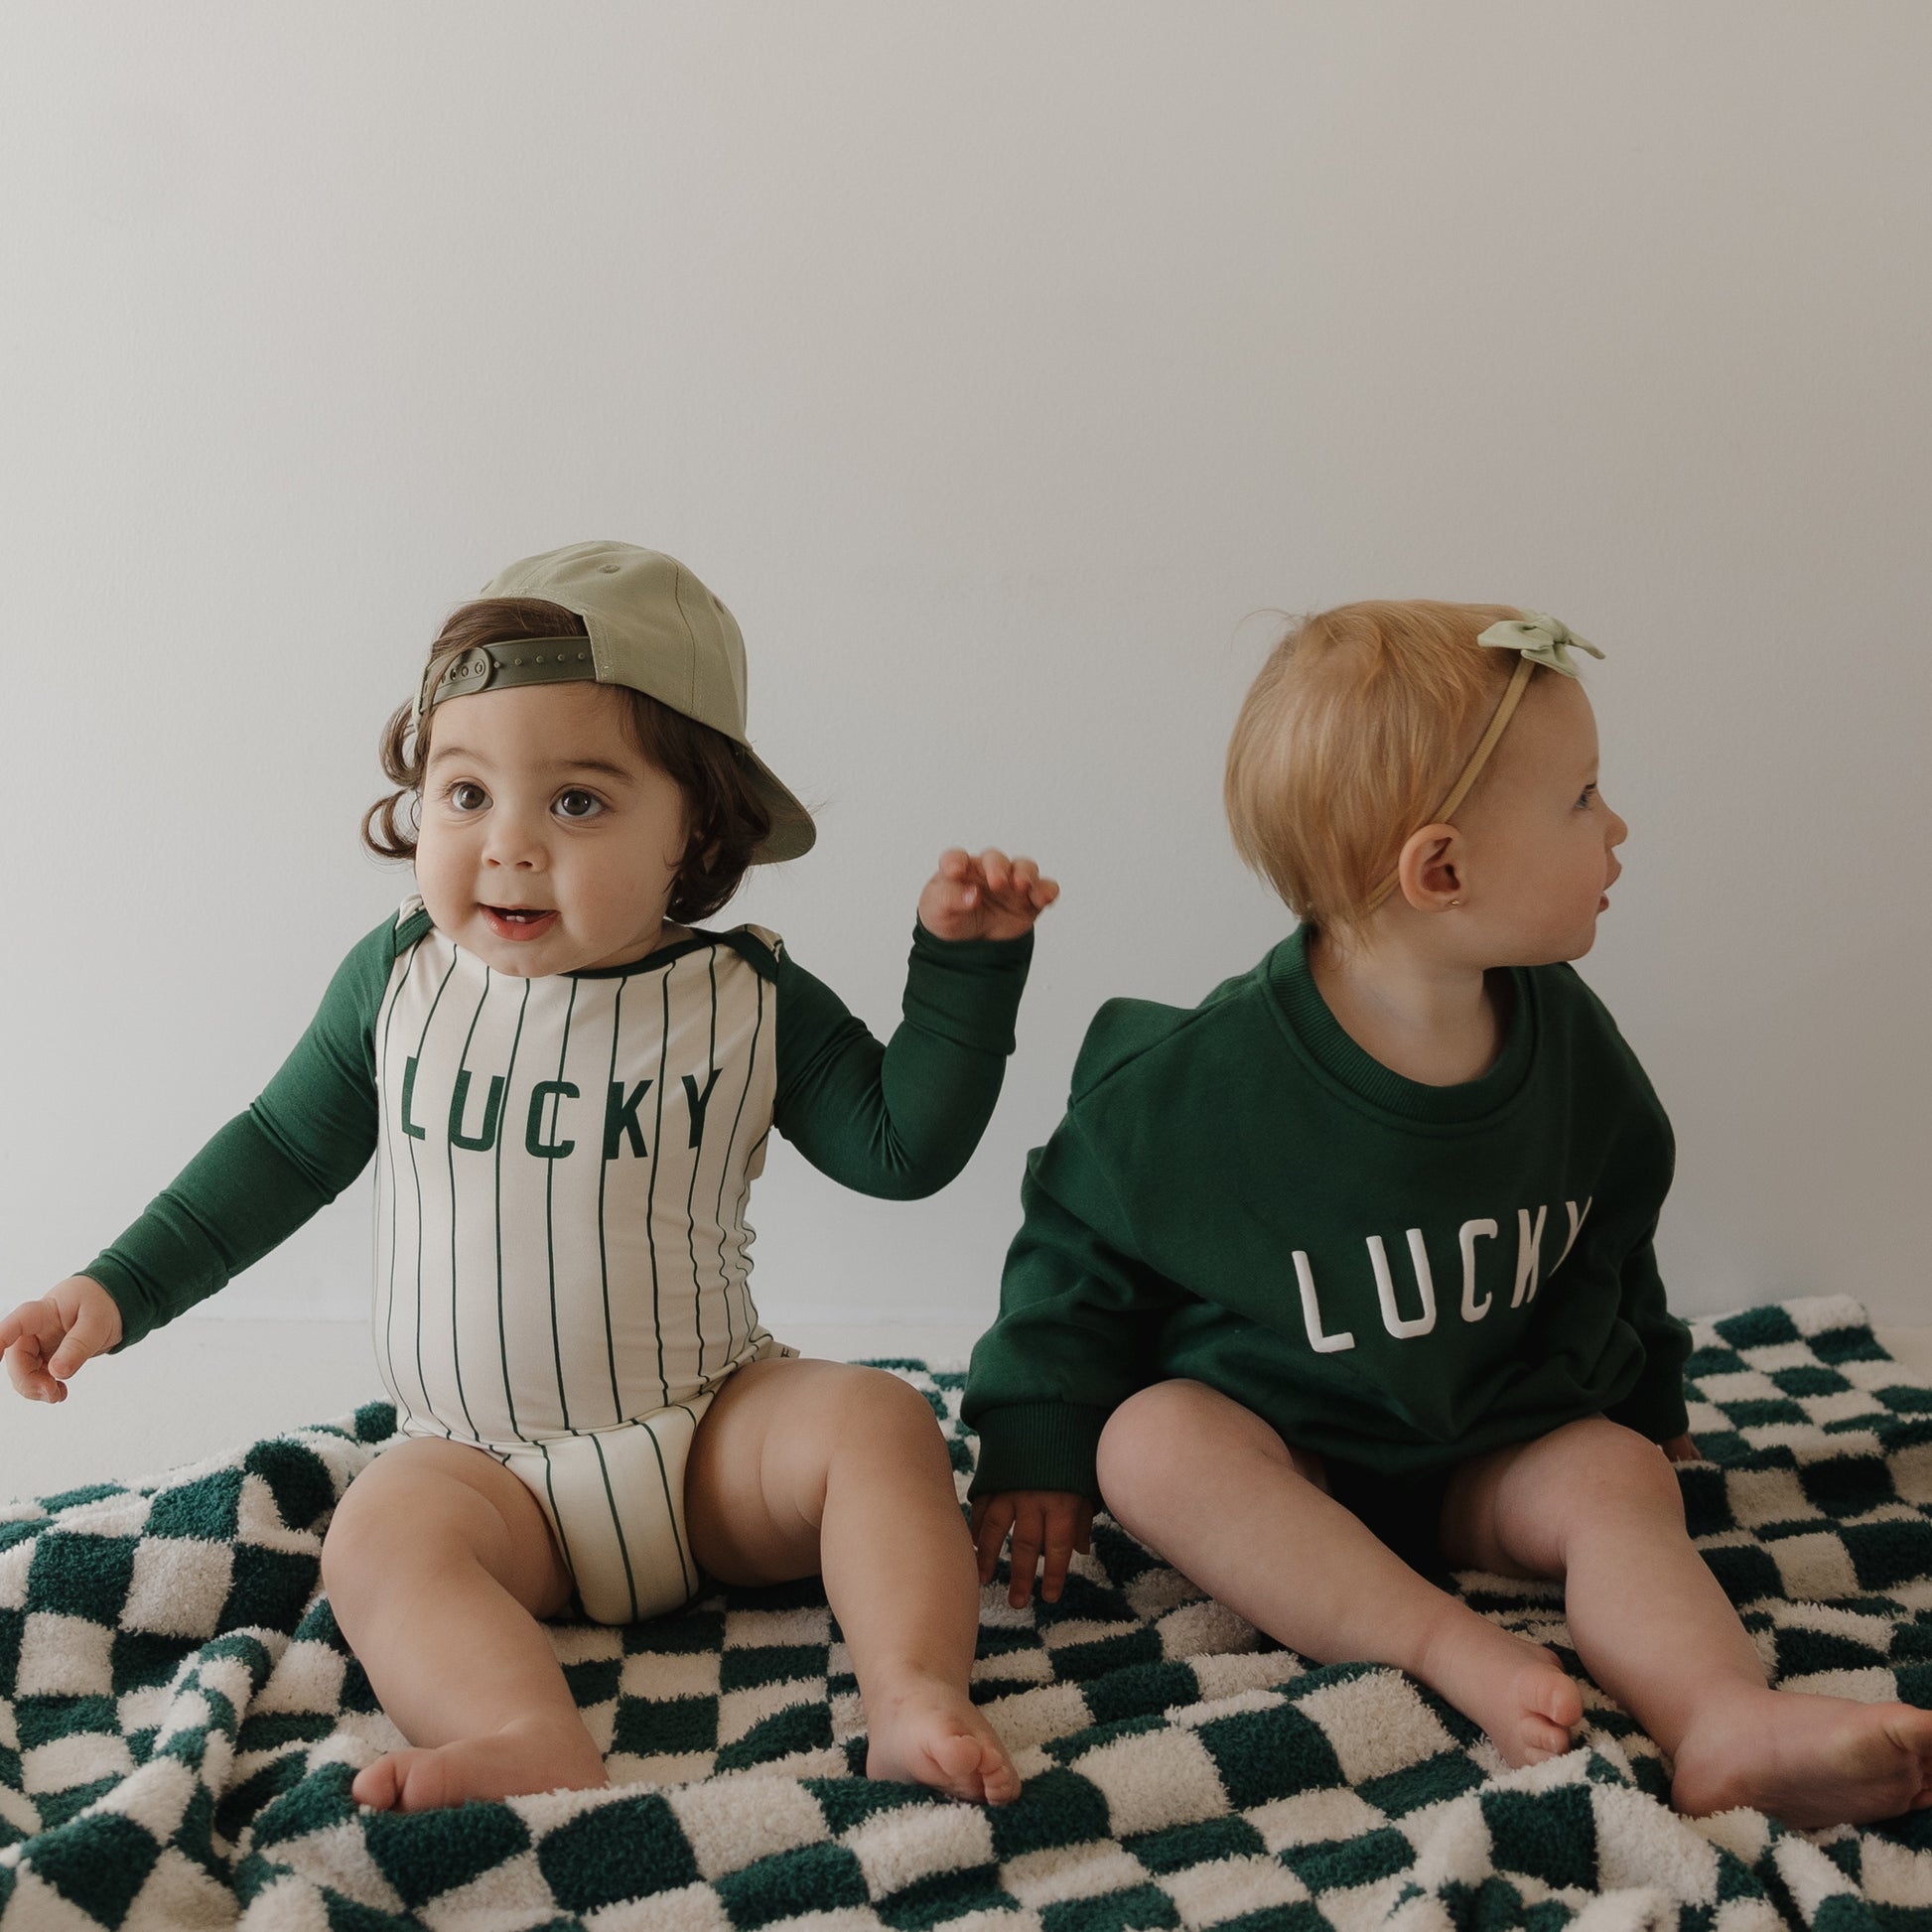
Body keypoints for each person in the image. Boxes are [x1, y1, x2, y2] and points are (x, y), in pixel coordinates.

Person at [1, 541, 1053, 1811]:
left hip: (713, 1434)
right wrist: (116, 1286)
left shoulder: (740, 997)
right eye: (464, 793)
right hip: (486, 1477)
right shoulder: (395, 982)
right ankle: (519, 1728)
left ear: (697, 829)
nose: (506, 846)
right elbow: (279, 1150)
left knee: (878, 1421)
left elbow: (903, 1151)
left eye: (576, 803)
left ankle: (912, 1690)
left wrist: (964, 974)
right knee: (376, 1536)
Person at [963, 601, 1932, 1830]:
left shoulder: (1563, 1037)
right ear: (1441, 869)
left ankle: (1721, 1717)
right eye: (1581, 800)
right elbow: (1073, 1242)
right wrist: (1035, 1433)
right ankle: (1440, 1644)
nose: (1616, 826)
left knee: (1616, 1477)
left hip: (1488, 1449)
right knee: (1151, 1441)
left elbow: (1606, 1228)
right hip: (1284, 1445)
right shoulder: (1196, 1082)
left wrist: (1646, 1401)